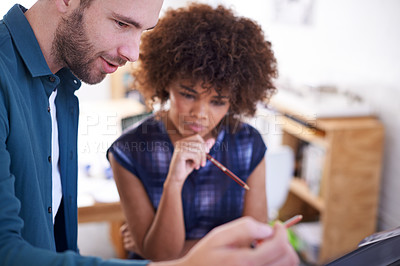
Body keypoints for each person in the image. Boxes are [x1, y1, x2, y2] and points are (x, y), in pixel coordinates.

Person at [0, 0, 299, 266]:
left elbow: (59, 243)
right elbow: (7, 251)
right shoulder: (128, 149)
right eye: (121, 22)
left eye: (143, 31)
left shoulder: (66, 91)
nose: (134, 53)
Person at [107, 3, 285, 262]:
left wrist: (174, 248)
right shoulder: (127, 152)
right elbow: (161, 257)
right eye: (188, 94)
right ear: (166, 81)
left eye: (218, 101)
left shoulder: (249, 144)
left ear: (234, 100)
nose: (200, 114)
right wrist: (174, 182)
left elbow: (255, 241)